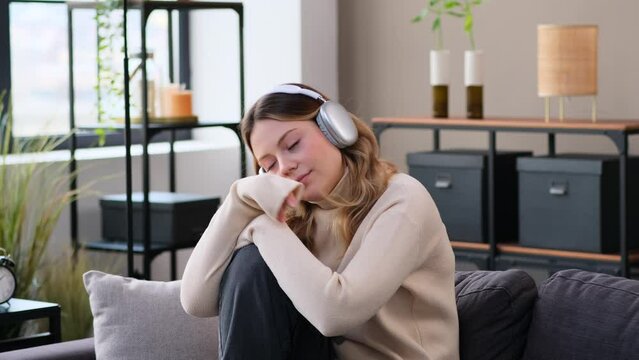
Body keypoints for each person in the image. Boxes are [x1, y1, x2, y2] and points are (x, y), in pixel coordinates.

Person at [180, 83, 459, 359]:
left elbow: (335, 315)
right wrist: (238, 199)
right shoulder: (294, 214)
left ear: (335, 128)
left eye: (292, 145)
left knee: (255, 254)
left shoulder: (403, 200)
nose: (284, 166)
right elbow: (195, 300)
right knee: (250, 262)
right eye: (270, 165)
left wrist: (265, 226)